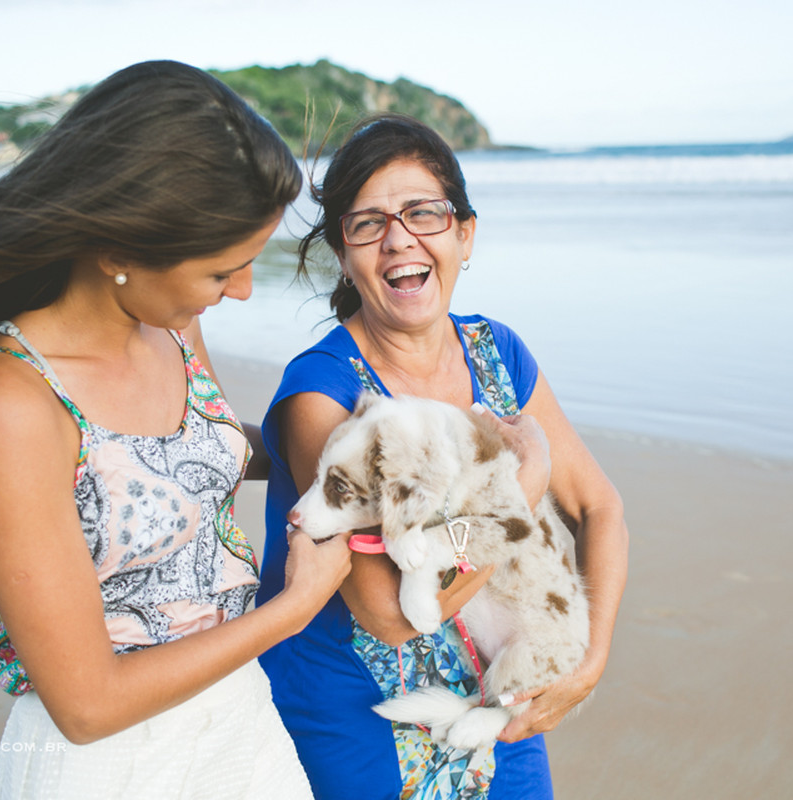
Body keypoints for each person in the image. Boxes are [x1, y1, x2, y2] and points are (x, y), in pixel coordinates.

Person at [0, 60, 351, 798]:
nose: (241, 291)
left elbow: (200, 452)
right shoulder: (7, 402)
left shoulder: (172, 329)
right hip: (114, 766)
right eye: (222, 269)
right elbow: (88, 705)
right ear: (118, 252)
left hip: (243, 727)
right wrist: (294, 607)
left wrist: (352, 445)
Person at [256, 114, 630, 799]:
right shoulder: (326, 396)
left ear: (464, 234)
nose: (400, 238)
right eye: (367, 223)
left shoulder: (496, 354)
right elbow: (390, 616)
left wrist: (590, 660)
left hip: (495, 708)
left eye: (423, 212)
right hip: (358, 721)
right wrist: (523, 485)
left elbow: (599, 505)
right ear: (344, 254)